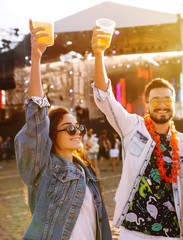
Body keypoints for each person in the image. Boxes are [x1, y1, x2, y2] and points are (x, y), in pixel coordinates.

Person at [91, 25, 183, 240]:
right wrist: (99, 54)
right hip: (135, 232)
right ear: (146, 104)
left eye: (167, 99)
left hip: (173, 233)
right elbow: (104, 98)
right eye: (155, 100)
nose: (161, 105)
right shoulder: (132, 127)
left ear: (173, 104)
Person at [14, 19, 112, 240]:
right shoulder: (43, 168)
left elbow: (99, 227)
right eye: (69, 129)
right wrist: (37, 57)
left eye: (79, 128)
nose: (77, 132)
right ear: (51, 135)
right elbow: (37, 114)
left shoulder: (88, 174)